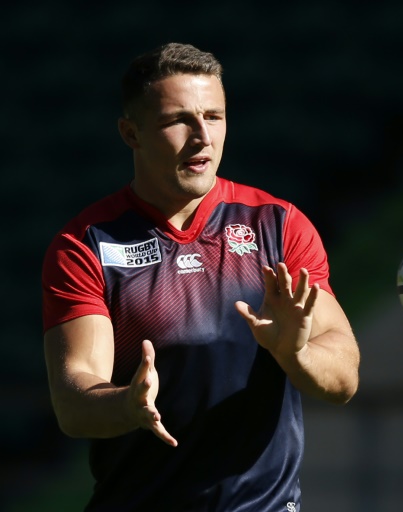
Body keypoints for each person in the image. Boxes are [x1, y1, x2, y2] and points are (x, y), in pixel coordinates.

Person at [41, 42, 360, 511]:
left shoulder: (277, 225)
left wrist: (297, 353)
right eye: (178, 120)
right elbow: (75, 399)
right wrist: (126, 405)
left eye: (214, 116)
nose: (202, 137)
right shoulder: (88, 244)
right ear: (131, 133)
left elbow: (344, 378)